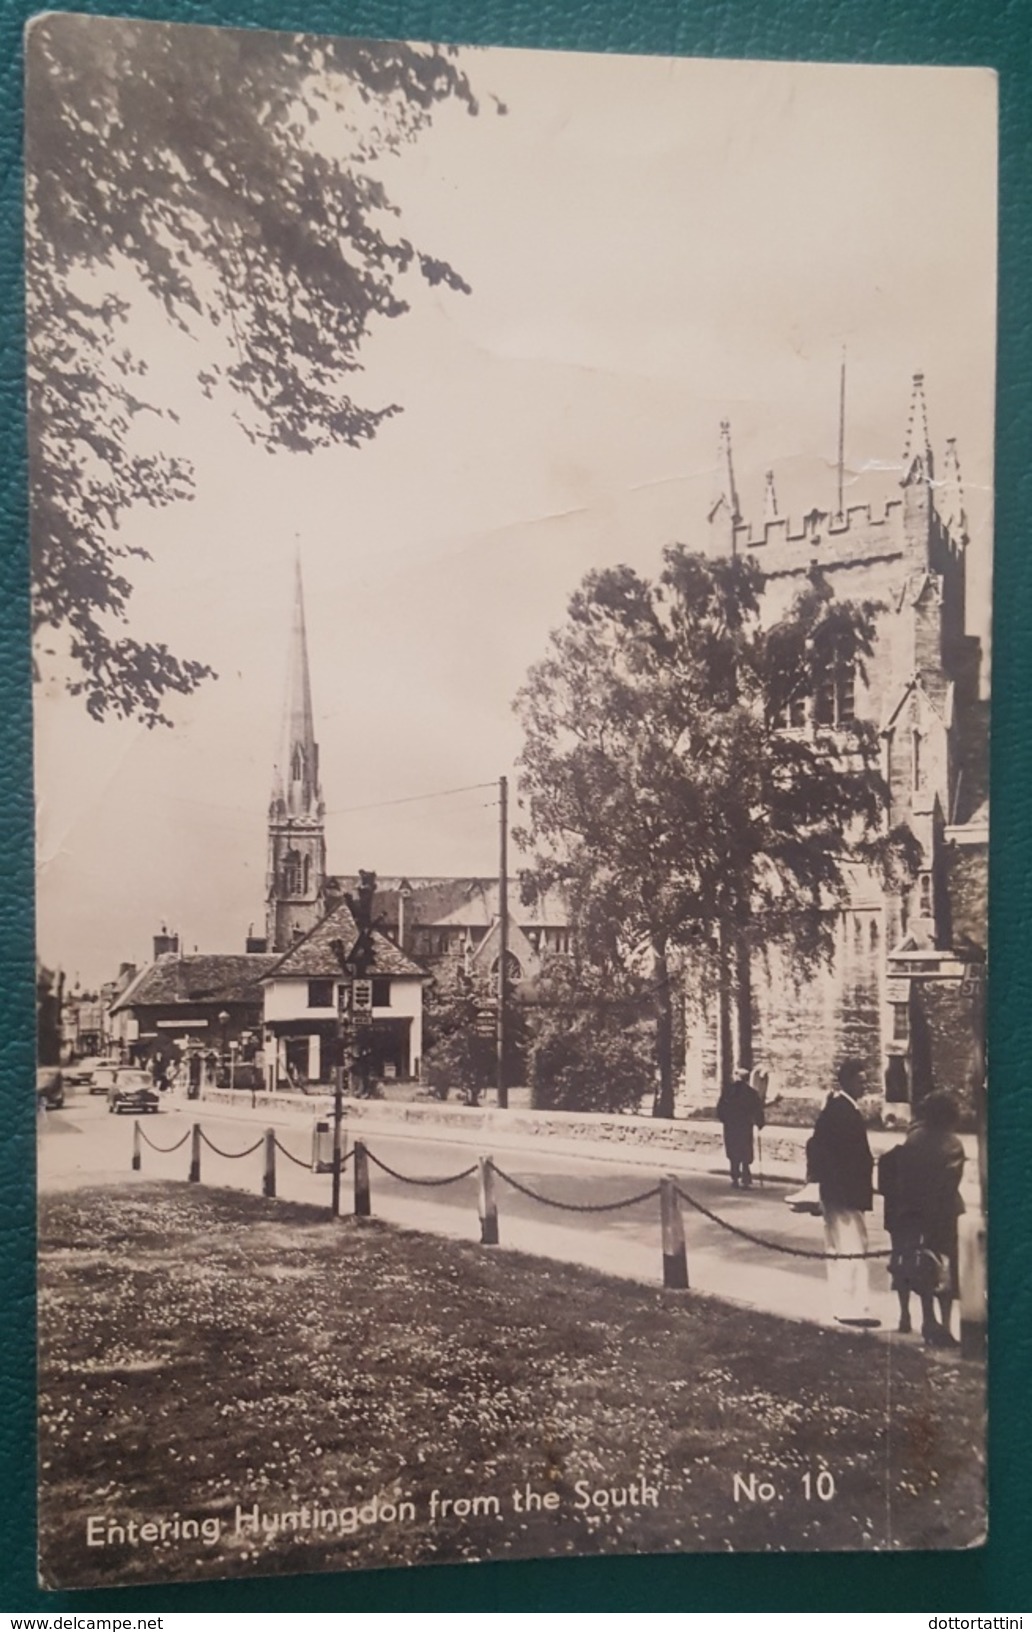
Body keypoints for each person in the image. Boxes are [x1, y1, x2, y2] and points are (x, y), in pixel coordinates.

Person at [879, 1091, 965, 1346]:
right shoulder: (952, 1143)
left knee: (910, 1264)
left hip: (910, 1212)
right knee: (945, 1269)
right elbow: (950, 1184)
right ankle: (945, 1325)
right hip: (944, 1214)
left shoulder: (914, 1139)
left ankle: (911, 1316)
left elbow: (903, 1177)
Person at [807, 1058, 879, 1327]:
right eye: (861, 1081)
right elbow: (835, 1155)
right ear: (846, 1081)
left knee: (838, 1248)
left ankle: (841, 1305)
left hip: (837, 1192)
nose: (864, 1085)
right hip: (845, 1193)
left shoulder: (836, 1109)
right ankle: (855, 1308)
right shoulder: (843, 1112)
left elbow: (816, 1147)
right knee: (852, 1248)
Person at [716, 1070, 765, 1189]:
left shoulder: (728, 1092)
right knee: (745, 1150)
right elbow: (757, 1109)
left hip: (732, 1126)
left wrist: (725, 1120)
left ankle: (735, 1178)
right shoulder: (751, 1093)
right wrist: (759, 1123)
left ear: (736, 1077)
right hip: (744, 1126)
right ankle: (746, 1177)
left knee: (733, 1151)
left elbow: (720, 1108)